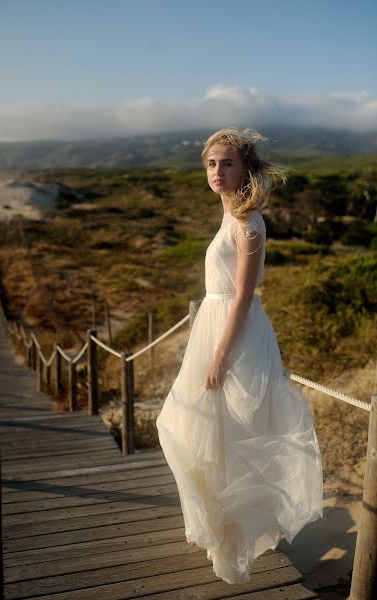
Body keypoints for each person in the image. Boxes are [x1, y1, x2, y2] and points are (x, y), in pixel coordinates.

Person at [155, 127, 323, 585]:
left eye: (227, 163)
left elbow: (243, 298)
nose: (217, 171)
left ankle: (231, 532)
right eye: (211, 163)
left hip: (235, 335)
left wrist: (219, 355)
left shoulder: (249, 223)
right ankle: (210, 523)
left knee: (234, 430)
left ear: (244, 169)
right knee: (199, 426)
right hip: (213, 327)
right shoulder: (229, 216)